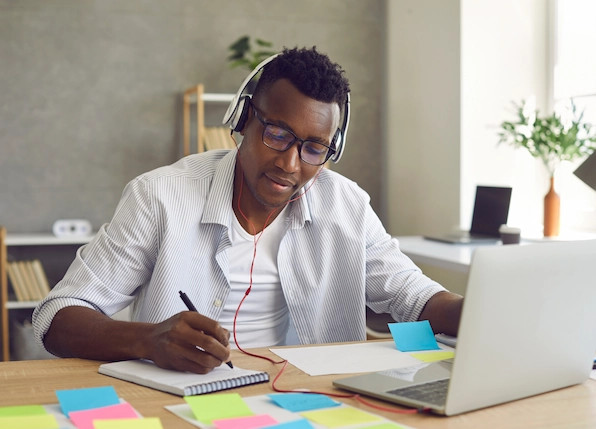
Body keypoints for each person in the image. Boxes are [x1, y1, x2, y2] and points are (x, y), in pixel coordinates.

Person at [33, 47, 463, 374]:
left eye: (314, 148)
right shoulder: (160, 196)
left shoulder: (346, 206)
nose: (290, 164)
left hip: (308, 400)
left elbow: (412, 295)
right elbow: (56, 317)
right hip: (184, 401)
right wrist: (148, 339)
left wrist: (474, 311)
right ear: (242, 121)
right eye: (277, 134)